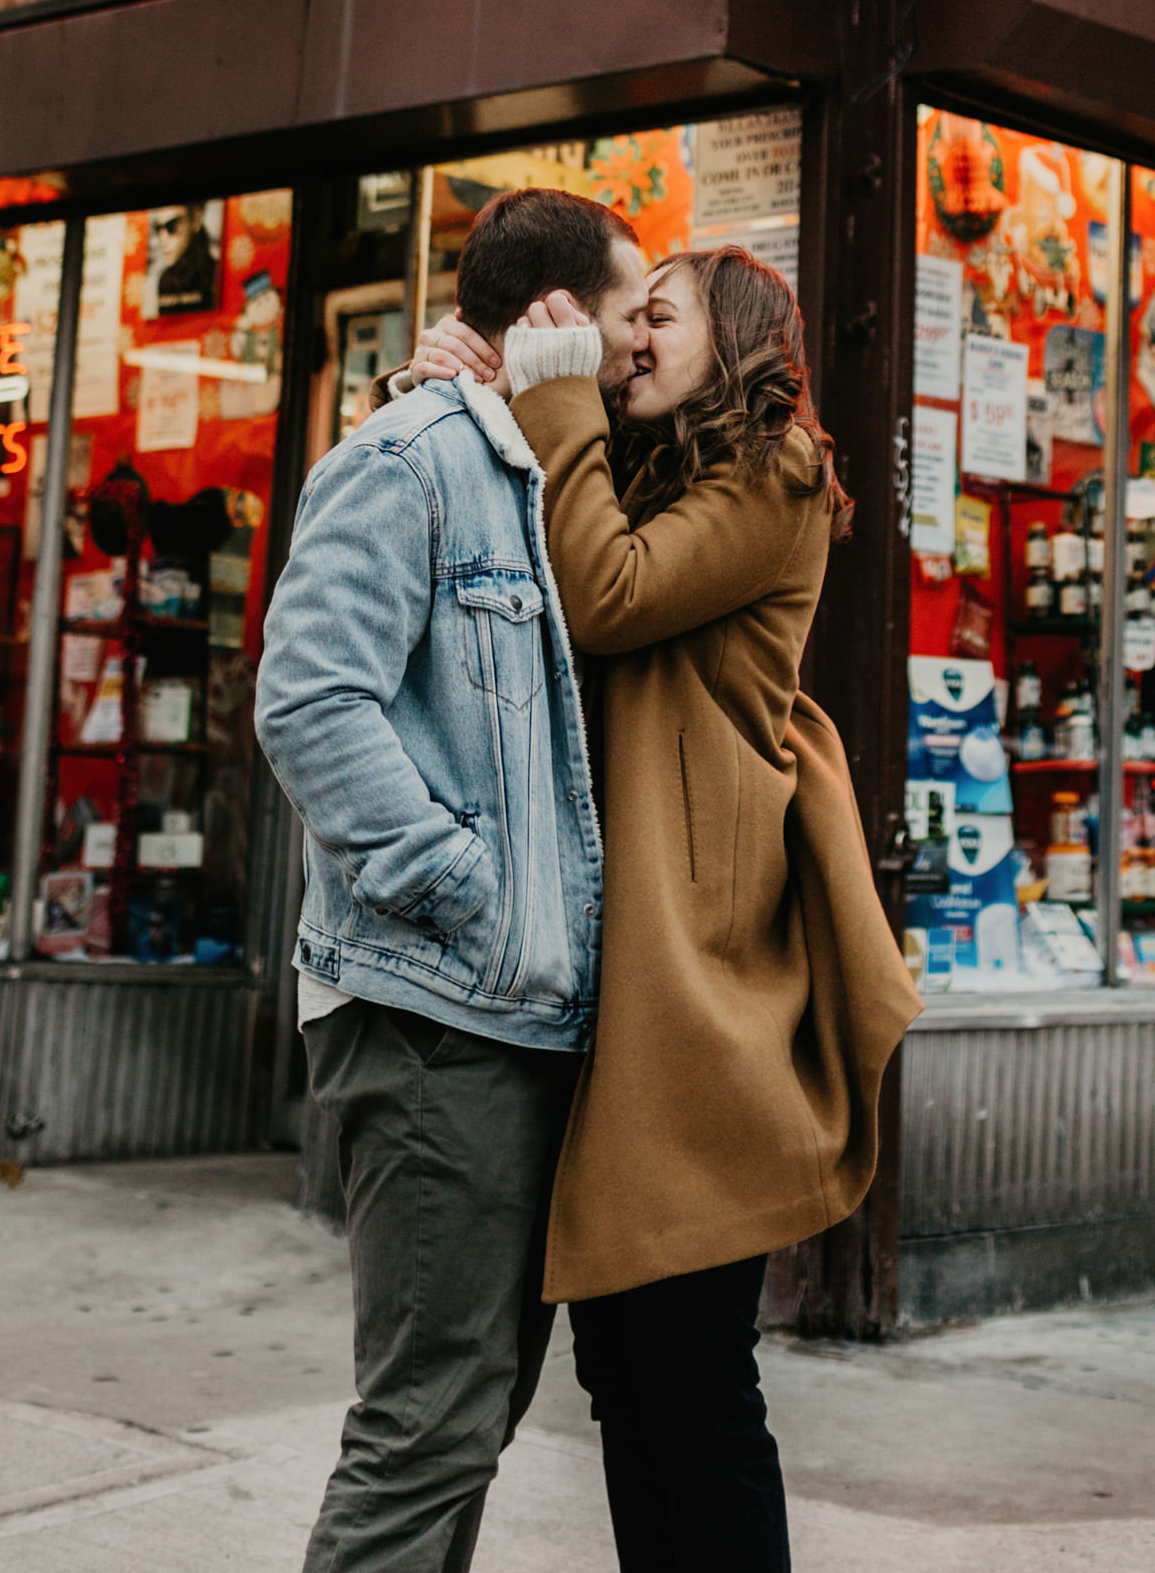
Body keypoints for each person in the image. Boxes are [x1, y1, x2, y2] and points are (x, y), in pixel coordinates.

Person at [408, 247, 920, 1573]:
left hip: (699, 981)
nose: (629, 337)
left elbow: (604, 593)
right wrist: (460, 395)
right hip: (605, 959)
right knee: (623, 1381)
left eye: (659, 316)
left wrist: (561, 399)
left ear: (735, 340)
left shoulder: (776, 474)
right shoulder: (636, 477)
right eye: (624, 318)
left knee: (692, 1381)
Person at [254, 187, 651, 1573]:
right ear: (553, 316)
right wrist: (464, 885)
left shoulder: (545, 465)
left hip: (516, 1021)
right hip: (436, 1019)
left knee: (468, 1416)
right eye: (623, 312)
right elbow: (309, 702)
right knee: (426, 1429)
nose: (636, 341)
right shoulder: (411, 457)